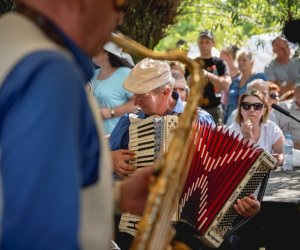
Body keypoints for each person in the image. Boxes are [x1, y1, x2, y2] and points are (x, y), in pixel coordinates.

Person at [0, 1, 153, 250]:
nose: (120, 18)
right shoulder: (49, 71)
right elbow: (38, 234)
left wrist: (116, 196)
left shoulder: (11, 42)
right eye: (119, 5)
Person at [110, 58, 261, 250]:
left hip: (190, 223)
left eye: (142, 96)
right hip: (142, 222)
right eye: (134, 95)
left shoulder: (200, 118)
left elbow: (220, 170)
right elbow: (99, 167)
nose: (135, 101)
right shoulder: (128, 123)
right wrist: (110, 158)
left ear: (165, 92)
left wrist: (243, 200)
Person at [90, 41, 137, 135]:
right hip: (96, 136)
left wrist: (112, 112)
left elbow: (137, 103)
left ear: (106, 54)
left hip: (116, 136)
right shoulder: (94, 74)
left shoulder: (125, 73)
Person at [226, 89, 284, 165]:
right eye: (246, 106)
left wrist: (278, 159)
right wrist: (247, 137)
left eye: (258, 106)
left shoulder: (271, 128)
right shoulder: (231, 132)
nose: (252, 110)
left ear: (264, 110)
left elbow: (283, 153)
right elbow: (236, 162)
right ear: (240, 110)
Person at [194, 30, 232, 125]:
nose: (204, 45)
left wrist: (207, 75)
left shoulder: (220, 63)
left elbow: (226, 84)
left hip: (215, 109)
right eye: (201, 42)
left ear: (213, 43)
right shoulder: (192, 64)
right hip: (195, 109)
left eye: (207, 42)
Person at [224, 50, 268, 123]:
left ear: (252, 62)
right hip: (231, 120)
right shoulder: (235, 81)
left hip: (250, 119)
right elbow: (228, 105)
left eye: (244, 60)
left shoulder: (259, 77)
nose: (241, 63)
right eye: (239, 60)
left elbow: (265, 98)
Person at [274, 77, 300, 150]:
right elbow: (270, 133)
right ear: (294, 89)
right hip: (286, 153)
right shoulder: (281, 107)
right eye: (299, 89)